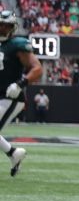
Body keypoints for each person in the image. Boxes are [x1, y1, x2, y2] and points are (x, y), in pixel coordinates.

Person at [0, 10, 42, 176]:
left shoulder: (17, 44)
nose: (2, 29)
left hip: (11, 97)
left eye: (6, 26)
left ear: (13, 27)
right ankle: (13, 153)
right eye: (0, 25)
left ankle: (13, 153)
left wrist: (21, 83)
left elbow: (37, 69)